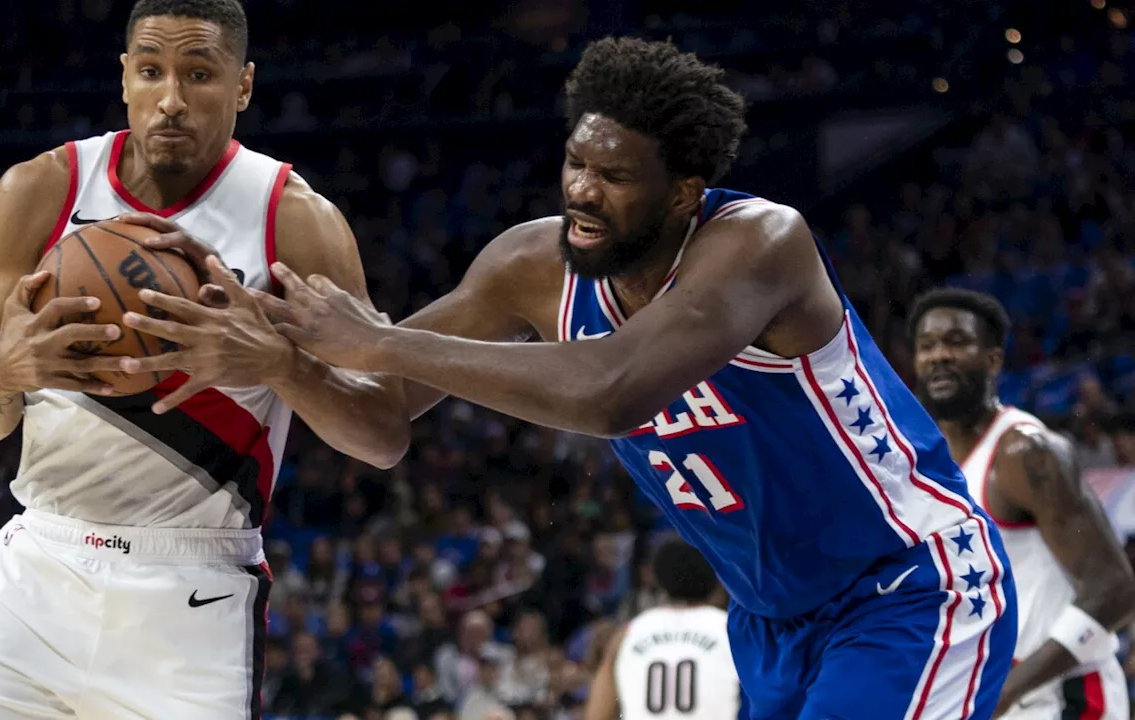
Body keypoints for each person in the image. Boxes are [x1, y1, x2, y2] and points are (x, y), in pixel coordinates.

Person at [141, 37, 1019, 718]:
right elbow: (379, 428)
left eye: (614, 176)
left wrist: (380, 343)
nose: (583, 193)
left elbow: (611, 392)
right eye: (576, 164)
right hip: (770, 624)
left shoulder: (761, 243)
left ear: (683, 192)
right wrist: (281, 364)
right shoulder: (530, 266)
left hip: (907, 583)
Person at [0, 1, 407, 718]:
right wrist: (6, 372)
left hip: (193, 596)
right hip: (37, 570)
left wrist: (281, 365)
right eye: (152, 71)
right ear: (124, 77)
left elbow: (383, 435)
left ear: (244, 86)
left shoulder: (292, 220)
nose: (171, 100)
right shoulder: (41, 190)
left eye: (199, 74)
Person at [910, 288, 1135, 719]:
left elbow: (1116, 590)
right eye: (927, 346)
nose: (939, 355)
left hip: (1062, 696)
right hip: (986, 694)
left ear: (993, 359)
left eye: (956, 342)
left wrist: (1007, 689)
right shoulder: (925, 463)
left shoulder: (1026, 452)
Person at [585, 539, 740, 720]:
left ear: (659, 579)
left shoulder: (628, 633)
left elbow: (597, 715)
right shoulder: (732, 630)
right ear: (716, 580)